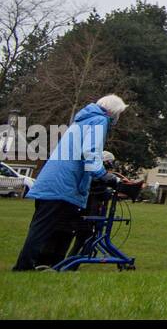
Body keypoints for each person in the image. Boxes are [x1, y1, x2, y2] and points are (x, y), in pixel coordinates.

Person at [15, 95, 131, 271]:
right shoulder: (99, 120)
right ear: (112, 112)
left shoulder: (81, 121)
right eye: (118, 114)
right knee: (45, 229)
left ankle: (35, 264)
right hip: (63, 184)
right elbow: (90, 153)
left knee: (43, 228)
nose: (117, 119)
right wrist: (106, 177)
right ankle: (24, 267)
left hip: (52, 180)